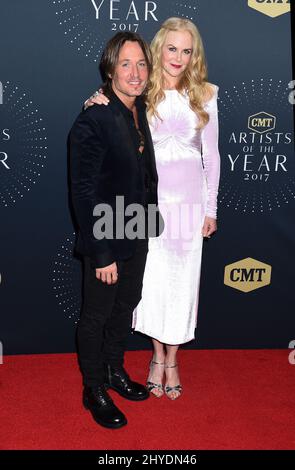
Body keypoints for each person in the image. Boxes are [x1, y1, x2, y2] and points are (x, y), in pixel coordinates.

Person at [84, 17, 220, 400]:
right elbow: (113, 107)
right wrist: (94, 98)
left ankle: (172, 359)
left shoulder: (206, 93)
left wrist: (211, 209)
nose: (178, 57)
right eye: (171, 48)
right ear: (158, 50)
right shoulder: (145, 91)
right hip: (148, 208)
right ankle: (156, 356)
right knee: (151, 286)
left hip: (190, 208)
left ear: (195, 56)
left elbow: (213, 156)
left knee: (182, 286)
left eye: (186, 50)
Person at [69, 32, 161, 429]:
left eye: (141, 63)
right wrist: (101, 252)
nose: (135, 72)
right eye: (125, 64)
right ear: (110, 69)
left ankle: (113, 370)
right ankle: (94, 389)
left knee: (126, 306)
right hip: (106, 232)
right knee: (97, 315)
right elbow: (83, 192)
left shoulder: (138, 109)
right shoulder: (94, 117)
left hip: (137, 226)